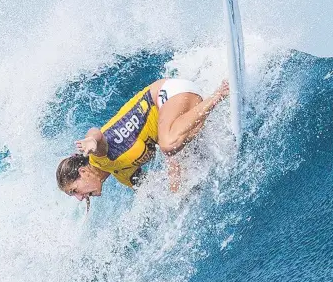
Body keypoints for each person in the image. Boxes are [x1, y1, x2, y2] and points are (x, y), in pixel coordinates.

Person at [56, 78, 229, 206]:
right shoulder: (123, 176)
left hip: (169, 94)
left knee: (168, 145)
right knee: (180, 191)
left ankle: (219, 94)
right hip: (179, 114)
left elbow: (97, 135)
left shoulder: (99, 157)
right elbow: (160, 192)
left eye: (74, 190)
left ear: (84, 172)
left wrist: (91, 140)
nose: (79, 198)